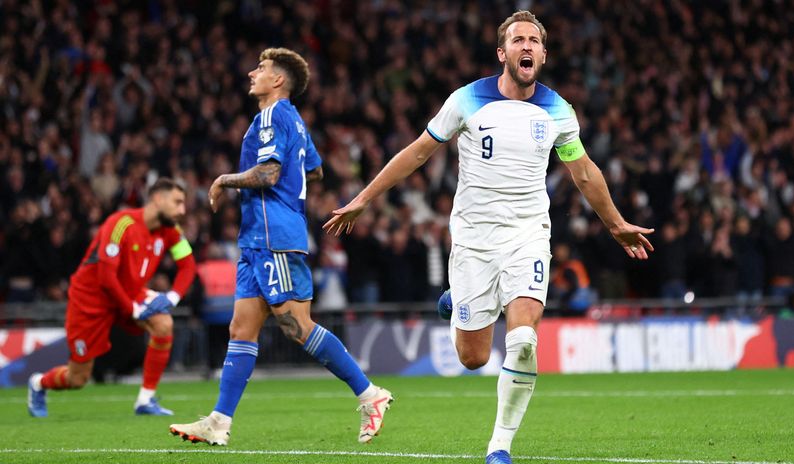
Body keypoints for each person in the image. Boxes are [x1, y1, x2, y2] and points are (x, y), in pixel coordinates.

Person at [324, 11, 654, 464]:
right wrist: (364, 198)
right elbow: (418, 152)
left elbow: (583, 171)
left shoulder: (558, 110)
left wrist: (615, 224)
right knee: (473, 358)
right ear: (503, 53)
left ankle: (499, 446)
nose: (527, 46)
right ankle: (457, 298)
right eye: (518, 40)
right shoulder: (467, 99)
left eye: (534, 40)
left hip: (528, 235)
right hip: (474, 240)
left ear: (543, 54)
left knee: (523, 341)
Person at [169, 47, 393, 446]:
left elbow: (270, 174)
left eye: (261, 68)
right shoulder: (294, 121)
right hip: (257, 238)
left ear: (278, 80)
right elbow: (315, 169)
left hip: (274, 237)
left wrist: (224, 179)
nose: (252, 73)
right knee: (241, 328)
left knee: (296, 326)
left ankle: (369, 394)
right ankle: (219, 421)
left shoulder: (273, 116)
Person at [27, 178, 196, 417]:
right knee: (77, 378)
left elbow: (188, 266)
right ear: (158, 199)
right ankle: (39, 383)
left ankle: (145, 400)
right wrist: (133, 310)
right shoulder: (121, 224)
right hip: (91, 299)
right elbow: (106, 278)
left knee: (163, 323)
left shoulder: (171, 231)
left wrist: (172, 297)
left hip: (130, 292)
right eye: (177, 202)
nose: (182, 210)